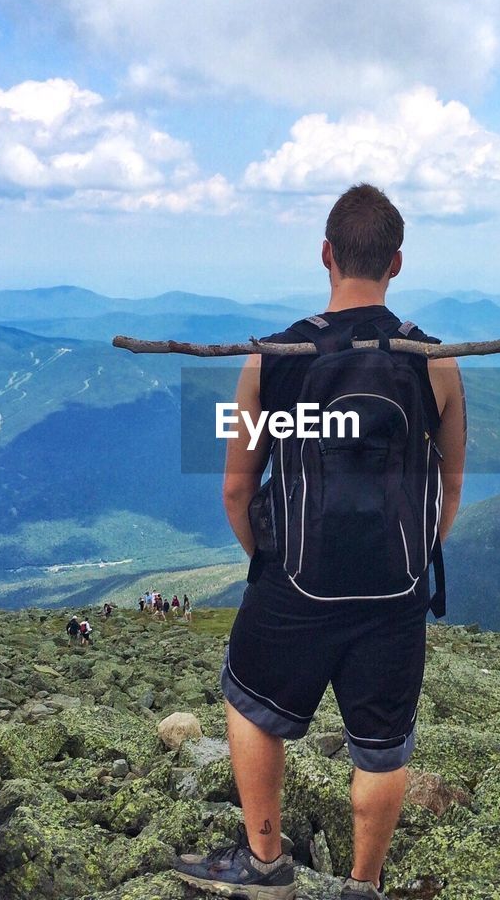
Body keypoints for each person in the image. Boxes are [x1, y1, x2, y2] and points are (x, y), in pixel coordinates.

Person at [174, 184, 467, 900]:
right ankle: (362, 887)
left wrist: (270, 565)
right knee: (382, 744)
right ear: (396, 263)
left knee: (249, 705)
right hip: (396, 587)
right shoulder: (437, 362)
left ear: (326, 255)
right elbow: (448, 490)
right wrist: (406, 562)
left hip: (295, 582)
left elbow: (237, 490)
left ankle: (267, 863)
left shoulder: (273, 360)